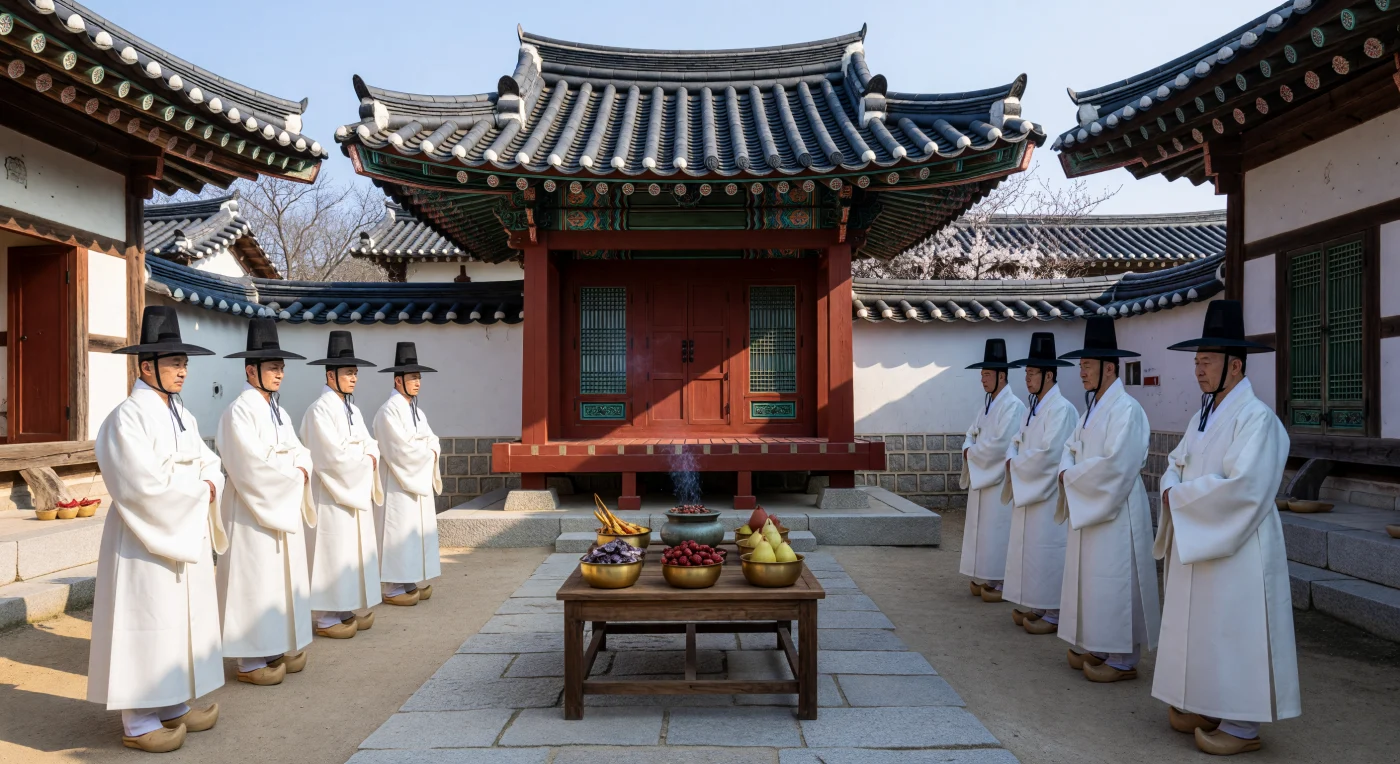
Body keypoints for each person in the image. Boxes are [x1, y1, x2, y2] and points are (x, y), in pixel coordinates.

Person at [1152, 300, 1299, 755]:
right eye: (1196, 361)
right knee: (1206, 626)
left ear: (1235, 365)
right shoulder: (1204, 414)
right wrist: (1172, 488)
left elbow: (1245, 487)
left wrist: (1179, 497)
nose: (1198, 369)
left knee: (1237, 628)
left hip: (1240, 541)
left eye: (1207, 361)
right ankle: (1208, 702)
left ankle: (1242, 724)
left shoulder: (1258, 419)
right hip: (1201, 530)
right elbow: (1175, 462)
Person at [89, 306, 225, 753]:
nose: (182, 370)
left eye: (184, 362)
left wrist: (207, 483)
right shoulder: (126, 417)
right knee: (146, 619)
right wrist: (198, 490)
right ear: (146, 366)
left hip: (183, 523)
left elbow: (208, 461)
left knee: (176, 619)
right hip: (143, 535)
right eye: (173, 362)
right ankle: (139, 720)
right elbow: (140, 485)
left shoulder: (181, 413)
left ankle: (171, 702)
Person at [1055, 316, 1160, 682]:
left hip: (1116, 507)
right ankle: (1099, 643)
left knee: (1117, 578)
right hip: (1090, 500)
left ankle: (1123, 658)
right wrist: (1068, 471)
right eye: (1081, 365)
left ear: (1109, 368)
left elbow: (1117, 464)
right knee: (1094, 577)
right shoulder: (1091, 410)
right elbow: (1070, 448)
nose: (1082, 372)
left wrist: (1072, 476)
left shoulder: (1127, 410)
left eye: (1088, 365)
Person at [215, 319, 316, 685]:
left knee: (278, 578)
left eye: (281, 367)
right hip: (251, 509)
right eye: (273, 366)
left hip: (280, 499)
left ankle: (274, 643)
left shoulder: (278, 411)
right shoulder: (238, 411)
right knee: (254, 577)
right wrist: (293, 472)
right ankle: (250, 658)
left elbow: (301, 452)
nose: (280, 373)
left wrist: (296, 468)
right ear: (251, 370)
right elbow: (250, 465)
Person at [301, 331, 382, 638]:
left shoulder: (352, 409)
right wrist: (363, 460)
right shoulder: (319, 410)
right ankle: (326, 616)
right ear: (330, 374)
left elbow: (371, 444)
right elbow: (330, 457)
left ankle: (344, 606)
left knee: (350, 550)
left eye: (355, 372)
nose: (354, 378)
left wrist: (366, 457)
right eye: (348, 372)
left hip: (353, 486)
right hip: (332, 494)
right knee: (332, 550)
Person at [1002, 332, 1078, 635]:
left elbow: (1050, 455)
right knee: (1032, 549)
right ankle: (1038, 602)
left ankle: (1054, 610)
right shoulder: (1033, 408)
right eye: (1026, 373)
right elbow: (1015, 441)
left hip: (1047, 494)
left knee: (1049, 548)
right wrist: (1013, 459)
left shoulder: (1062, 409)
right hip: (1029, 486)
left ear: (1049, 375)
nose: (1027, 378)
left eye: (1032, 373)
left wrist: (1016, 464)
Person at [373, 342, 444, 606]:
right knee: (398, 530)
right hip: (398, 483)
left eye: (418, 377)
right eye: (412, 377)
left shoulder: (416, 411)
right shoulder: (388, 411)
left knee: (414, 531)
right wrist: (426, 452)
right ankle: (393, 587)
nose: (417, 383)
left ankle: (408, 579)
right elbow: (399, 450)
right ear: (398, 380)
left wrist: (427, 450)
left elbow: (432, 439)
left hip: (416, 476)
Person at [959, 338, 1026, 602]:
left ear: (1002, 376)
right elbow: (970, 433)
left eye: (987, 374)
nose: (983, 379)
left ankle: (1001, 579)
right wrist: (969, 449)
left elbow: (1000, 446)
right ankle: (987, 574)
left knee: (998, 528)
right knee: (984, 529)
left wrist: (972, 452)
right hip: (982, 473)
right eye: (982, 374)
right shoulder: (987, 406)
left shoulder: (1014, 406)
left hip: (997, 478)